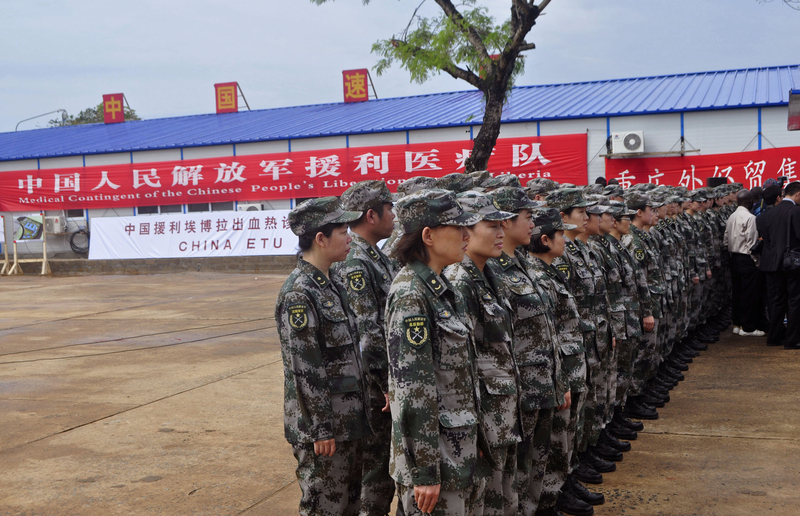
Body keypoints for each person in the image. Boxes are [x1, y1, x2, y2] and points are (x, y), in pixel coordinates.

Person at [385, 188, 488, 516]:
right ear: (428, 236)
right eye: (457, 227)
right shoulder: (412, 296)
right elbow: (414, 390)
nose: (465, 234)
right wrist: (425, 472)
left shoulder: (441, 289)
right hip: (436, 464)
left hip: (457, 451)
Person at [275, 197, 368, 516]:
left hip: (348, 421)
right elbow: (306, 368)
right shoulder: (300, 294)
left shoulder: (333, 282)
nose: (350, 237)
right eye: (343, 230)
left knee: (349, 506)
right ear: (320, 238)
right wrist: (321, 428)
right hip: (325, 428)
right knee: (324, 507)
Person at [485, 187, 568, 516]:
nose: (533, 224)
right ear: (505, 223)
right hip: (519, 392)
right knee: (515, 474)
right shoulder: (494, 272)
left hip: (542, 382)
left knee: (536, 464)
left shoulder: (521, 264)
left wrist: (558, 380)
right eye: (528, 217)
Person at [445, 192, 521, 516]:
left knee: (503, 498)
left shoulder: (487, 275)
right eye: (491, 226)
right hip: (484, 418)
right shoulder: (460, 282)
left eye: (503, 225)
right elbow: (462, 361)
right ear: (467, 231)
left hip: (501, 412)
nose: (501, 233)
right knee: (487, 502)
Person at [332, 180, 400, 516]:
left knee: (383, 467)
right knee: (375, 470)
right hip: (372, 388)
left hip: (379, 384)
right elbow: (367, 332)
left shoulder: (375, 256)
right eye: (389, 209)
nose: (394, 215)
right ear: (371, 215)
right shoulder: (356, 260)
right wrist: (387, 383)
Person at [525, 208, 594, 516]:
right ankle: (551, 495)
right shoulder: (538, 275)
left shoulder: (550, 271)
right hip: (555, 370)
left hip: (568, 364)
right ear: (544, 240)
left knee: (567, 433)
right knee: (554, 438)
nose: (565, 239)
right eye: (560, 235)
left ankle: (564, 482)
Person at [756, 181, 800, 349]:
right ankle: (792, 339)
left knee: (776, 301)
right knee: (794, 301)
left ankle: (774, 336)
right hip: (792, 263)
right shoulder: (795, 211)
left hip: (772, 264)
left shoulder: (767, 215)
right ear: (797, 194)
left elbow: (767, 239)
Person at [724, 189, 765, 337]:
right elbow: (752, 243)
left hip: (733, 257)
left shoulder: (731, 217)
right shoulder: (750, 217)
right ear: (750, 202)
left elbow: (726, 239)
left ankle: (737, 324)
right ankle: (748, 328)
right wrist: (757, 262)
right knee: (749, 293)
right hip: (747, 259)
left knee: (737, 292)